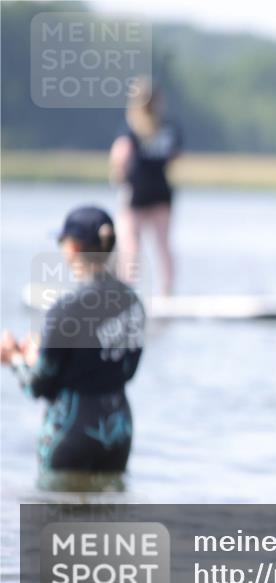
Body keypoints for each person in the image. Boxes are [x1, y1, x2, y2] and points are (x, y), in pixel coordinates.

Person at [1, 206, 145, 491]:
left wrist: (16, 358)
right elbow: (125, 370)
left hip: (70, 433)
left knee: (57, 530)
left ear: (74, 248)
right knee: (109, 531)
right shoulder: (133, 303)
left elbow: (37, 386)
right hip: (118, 431)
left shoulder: (65, 312)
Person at [109, 77, 183, 296]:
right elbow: (174, 156)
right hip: (161, 192)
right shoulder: (168, 129)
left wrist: (118, 177)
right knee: (164, 246)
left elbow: (120, 156)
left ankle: (126, 290)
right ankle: (167, 292)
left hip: (136, 194)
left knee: (130, 246)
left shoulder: (130, 129)